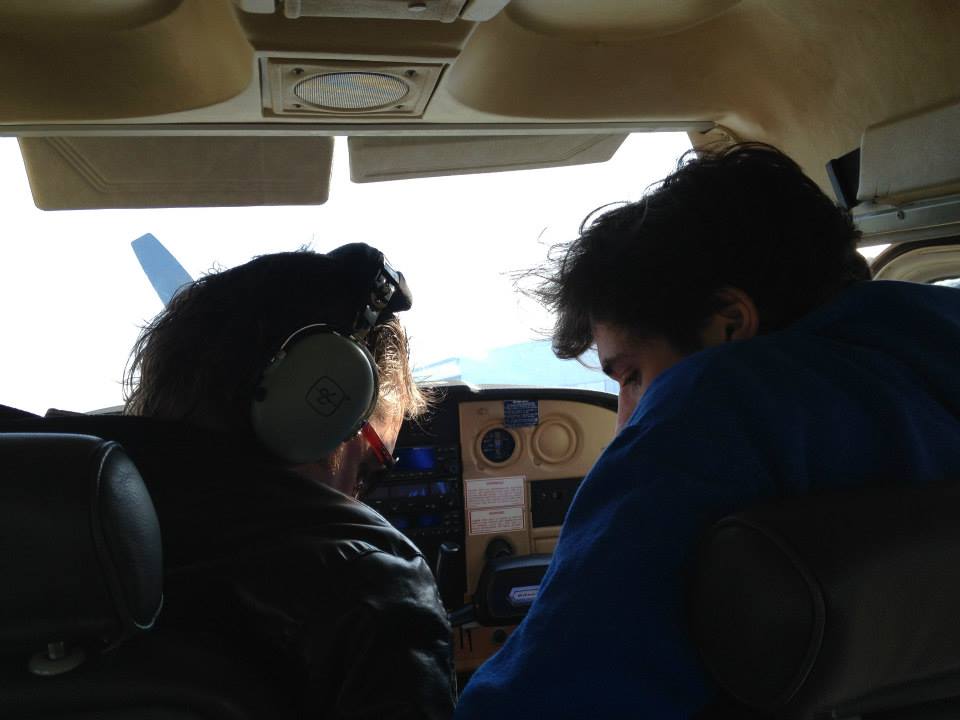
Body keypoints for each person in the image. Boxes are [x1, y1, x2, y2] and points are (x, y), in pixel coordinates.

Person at [454, 144, 960, 718]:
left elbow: (546, 698)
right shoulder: (931, 351)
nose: (623, 422)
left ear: (729, 326)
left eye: (633, 376)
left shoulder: (712, 405)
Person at [120, 243, 455, 718]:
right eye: (368, 469)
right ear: (313, 415)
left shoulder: (46, 524)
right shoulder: (369, 595)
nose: (360, 502)